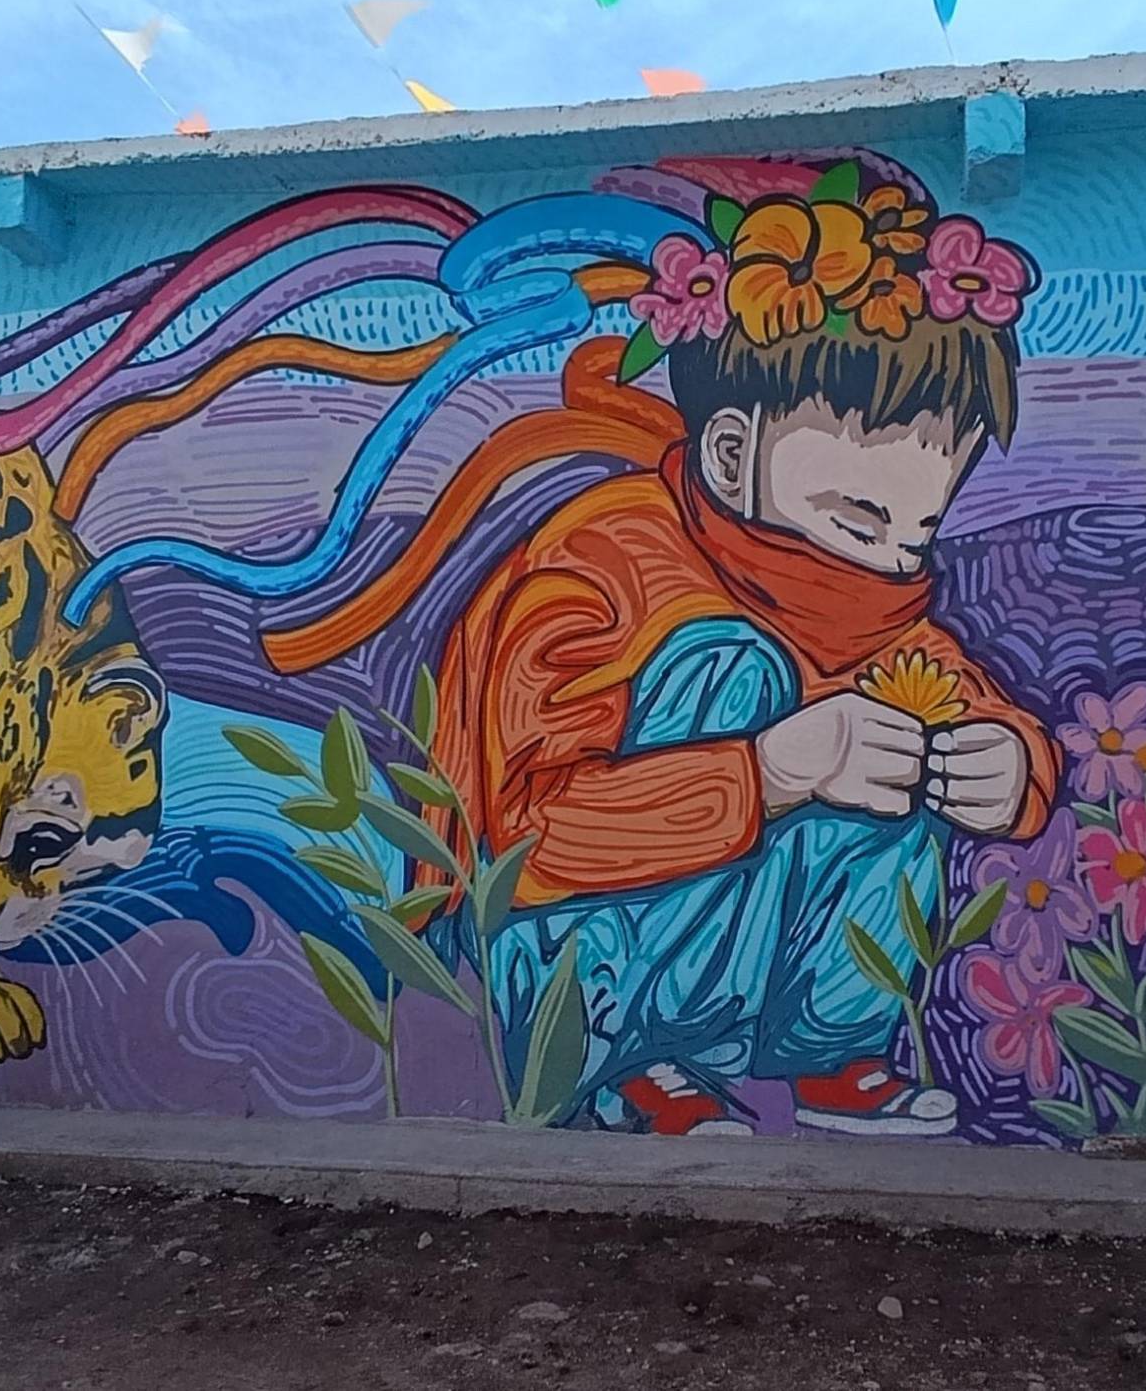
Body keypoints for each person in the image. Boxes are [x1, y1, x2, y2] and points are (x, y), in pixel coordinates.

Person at [366, 158, 1058, 1136]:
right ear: (733, 454)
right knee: (736, 671)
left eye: (913, 536)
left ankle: (832, 1051)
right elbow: (526, 835)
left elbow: (955, 688)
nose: (885, 564)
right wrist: (765, 771)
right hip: (561, 946)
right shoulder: (602, 564)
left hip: (749, 957)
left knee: (903, 731)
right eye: (859, 522)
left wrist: (1006, 762)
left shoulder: (870, 606)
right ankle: (624, 1062)